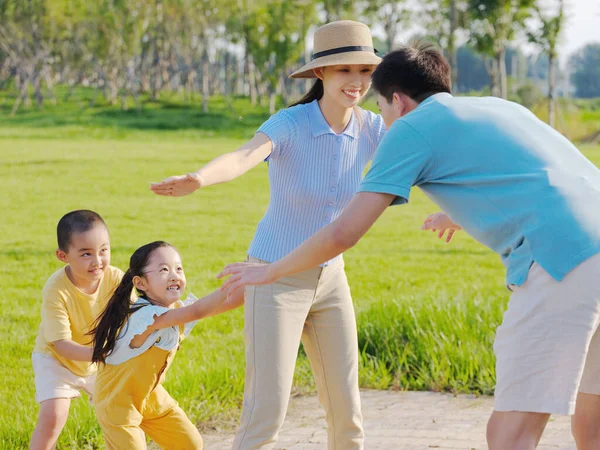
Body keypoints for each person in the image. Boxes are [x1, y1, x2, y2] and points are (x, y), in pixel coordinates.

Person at [218, 42, 600, 450]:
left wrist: (269, 270)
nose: (381, 115)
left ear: (397, 101)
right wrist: (456, 214)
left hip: (562, 262)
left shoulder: (411, 129)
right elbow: (536, 176)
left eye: (380, 105)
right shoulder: (499, 107)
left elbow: (344, 232)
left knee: (510, 434)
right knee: (592, 422)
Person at [150, 19, 386, 450]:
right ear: (321, 73)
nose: (356, 82)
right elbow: (244, 155)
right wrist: (200, 177)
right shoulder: (291, 124)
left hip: (331, 278)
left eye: (365, 71)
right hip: (273, 278)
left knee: (347, 412)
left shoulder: (371, 128)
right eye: (344, 70)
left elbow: (422, 158)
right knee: (266, 414)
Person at [91, 241, 240, 450]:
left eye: (178, 268)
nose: (174, 275)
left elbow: (221, 306)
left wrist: (257, 281)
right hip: (118, 402)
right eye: (163, 270)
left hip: (150, 396)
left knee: (190, 444)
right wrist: (233, 284)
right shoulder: (145, 316)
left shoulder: (175, 311)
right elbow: (198, 311)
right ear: (141, 283)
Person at [30, 210, 122, 450]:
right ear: (63, 256)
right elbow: (61, 344)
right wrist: (105, 351)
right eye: (86, 254)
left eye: (104, 250)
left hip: (98, 358)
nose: (97, 260)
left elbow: (138, 315)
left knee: (122, 413)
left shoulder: (116, 280)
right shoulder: (56, 289)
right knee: (54, 415)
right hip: (57, 359)